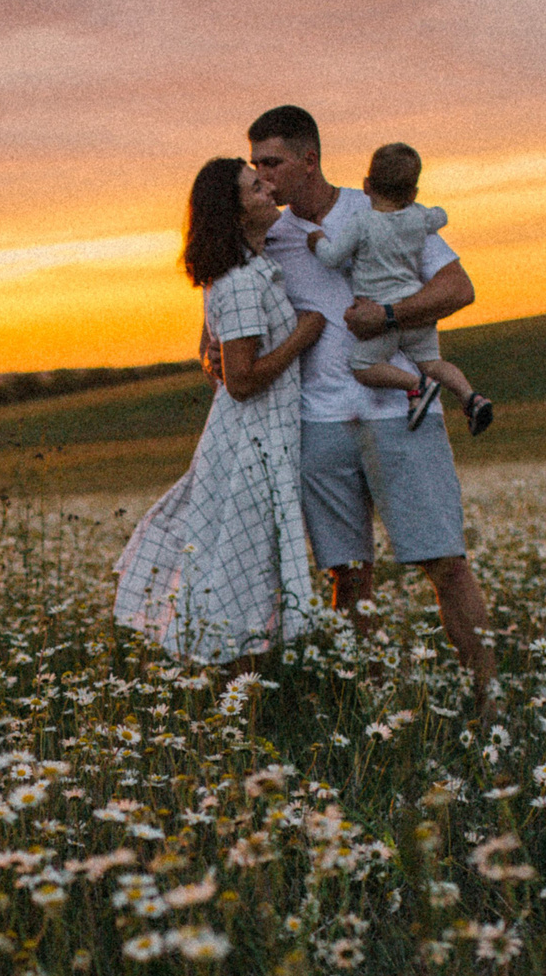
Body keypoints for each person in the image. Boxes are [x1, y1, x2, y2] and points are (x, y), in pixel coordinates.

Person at [242, 104, 497, 701]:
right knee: (346, 576)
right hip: (318, 423)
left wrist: (386, 314)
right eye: (255, 165)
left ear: (309, 160)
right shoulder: (266, 239)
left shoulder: (380, 212)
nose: (263, 175)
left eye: (272, 162)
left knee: (446, 564)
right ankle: (371, 706)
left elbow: (458, 287)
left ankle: (489, 698)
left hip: (400, 414)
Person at [113, 157, 326, 666]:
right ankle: (238, 697)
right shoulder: (240, 283)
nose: (268, 189)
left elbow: (213, 356)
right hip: (247, 447)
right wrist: (303, 334)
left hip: (257, 440)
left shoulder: (245, 273)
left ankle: (248, 692)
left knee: (248, 571)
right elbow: (241, 380)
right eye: (256, 188)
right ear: (235, 213)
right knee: (242, 572)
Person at [308, 141, 495, 435]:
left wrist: (317, 240)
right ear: (413, 193)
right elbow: (441, 216)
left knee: (362, 365)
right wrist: (426, 212)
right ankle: (470, 396)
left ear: (367, 186)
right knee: (432, 362)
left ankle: (416, 387)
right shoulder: (418, 217)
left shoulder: (362, 222)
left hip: (380, 315)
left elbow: (332, 258)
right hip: (416, 313)